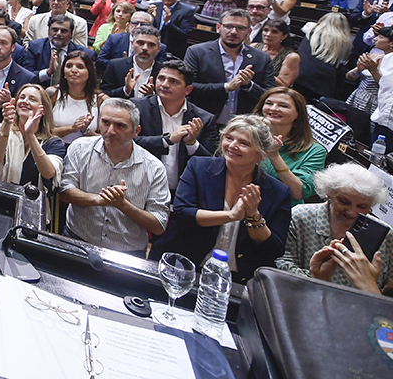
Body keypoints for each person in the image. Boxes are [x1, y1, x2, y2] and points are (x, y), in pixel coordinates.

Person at [152, 115, 293, 282]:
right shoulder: (198, 167)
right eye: (229, 138)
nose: (232, 146)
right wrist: (231, 216)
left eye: (244, 143)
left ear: (262, 154)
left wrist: (253, 216)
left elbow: (274, 249)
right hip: (183, 266)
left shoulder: (278, 192)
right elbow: (183, 214)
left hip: (236, 279)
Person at [59, 98, 171, 257]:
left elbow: (159, 224)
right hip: (78, 239)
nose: (110, 131)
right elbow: (65, 191)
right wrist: (98, 199)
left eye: (120, 126)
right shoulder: (79, 148)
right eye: (105, 122)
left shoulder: (154, 168)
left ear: (136, 131)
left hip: (127, 252)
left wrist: (123, 205)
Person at [277, 163, 393, 294]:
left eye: (362, 207)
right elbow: (281, 263)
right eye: (344, 202)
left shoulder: (385, 234)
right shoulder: (300, 217)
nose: (352, 212)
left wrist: (370, 286)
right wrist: (316, 278)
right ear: (328, 193)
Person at [134, 60, 220, 194]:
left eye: (173, 81)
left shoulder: (204, 119)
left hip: (183, 192)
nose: (165, 84)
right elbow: (127, 142)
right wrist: (166, 140)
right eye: (161, 78)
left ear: (188, 90)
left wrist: (192, 144)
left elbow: (211, 163)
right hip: (140, 185)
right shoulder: (137, 108)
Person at [185, 8, 275, 124]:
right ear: (218, 28)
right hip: (203, 122)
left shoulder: (262, 58)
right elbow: (188, 88)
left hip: (243, 125)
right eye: (228, 26)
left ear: (249, 32)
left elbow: (271, 95)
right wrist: (226, 87)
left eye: (240, 28)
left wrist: (249, 86)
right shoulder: (197, 52)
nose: (233, 32)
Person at [0, 85, 67, 219]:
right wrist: (7, 123)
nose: (25, 101)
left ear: (43, 110)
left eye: (32, 99)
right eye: (22, 97)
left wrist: (31, 136)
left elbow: (49, 173)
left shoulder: (54, 143)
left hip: (33, 212)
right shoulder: (0, 128)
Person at [255, 87, 327, 205]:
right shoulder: (245, 135)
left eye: (283, 106)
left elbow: (298, 192)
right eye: (269, 103)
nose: (273, 108)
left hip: (280, 210)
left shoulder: (315, 151)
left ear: (298, 114)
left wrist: (274, 155)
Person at [47, 50, 105, 144]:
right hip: (56, 149)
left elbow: (106, 138)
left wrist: (86, 130)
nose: (73, 70)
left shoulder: (101, 99)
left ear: (89, 72)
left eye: (80, 67)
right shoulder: (52, 93)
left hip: (89, 150)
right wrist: (71, 129)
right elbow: (43, 131)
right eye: (69, 66)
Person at [293, 11, 352, 102]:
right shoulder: (346, 42)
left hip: (301, 73)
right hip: (324, 80)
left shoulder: (311, 29)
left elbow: (305, 27)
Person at [259, 19, 299, 88]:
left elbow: (283, 85)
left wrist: (260, 70)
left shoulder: (291, 57)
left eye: (274, 32)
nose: (268, 34)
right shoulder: (254, 46)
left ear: (284, 36)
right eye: (265, 30)